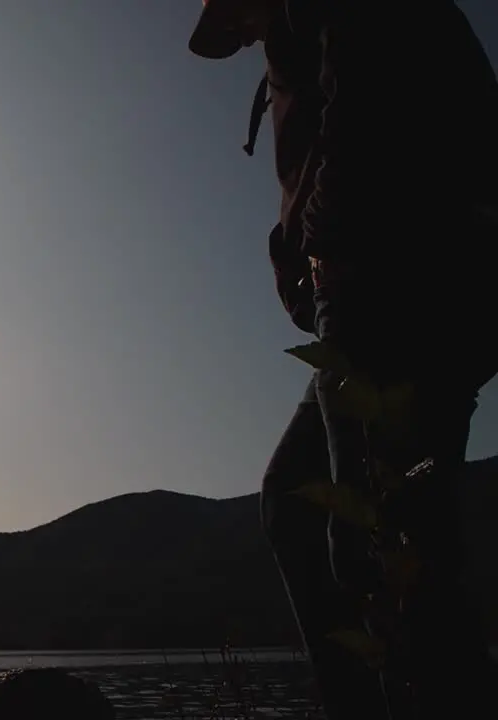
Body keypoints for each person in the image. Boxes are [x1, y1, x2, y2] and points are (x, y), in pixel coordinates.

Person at [187, 1, 498, 718]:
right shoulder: (296, 39)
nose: (243, 37)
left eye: (238, 20)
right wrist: (295, 253)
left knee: (377, 533)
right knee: (300, 505)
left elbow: (368, 110)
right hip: (383, 275)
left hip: (402, 275)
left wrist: (324, 245)